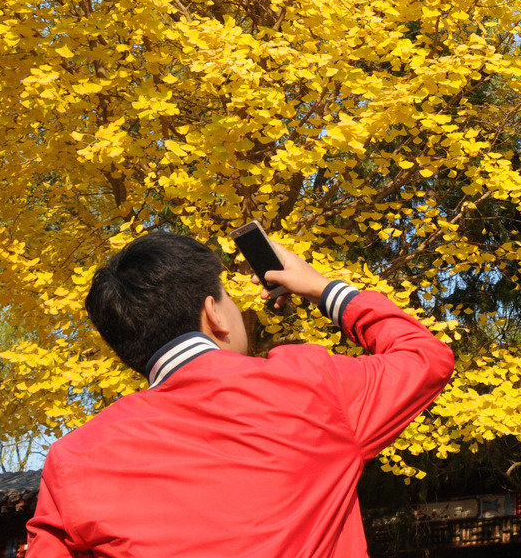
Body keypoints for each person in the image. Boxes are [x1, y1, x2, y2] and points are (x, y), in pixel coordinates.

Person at [25, 230, 454, 557]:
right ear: (214, 313)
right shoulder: (309, 385)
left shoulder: (73, 460)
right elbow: (425, 357)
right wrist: (324, 288)